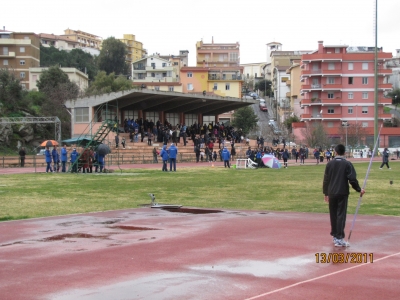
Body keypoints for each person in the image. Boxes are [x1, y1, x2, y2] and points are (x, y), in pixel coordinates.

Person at [323, 144, 365, 247]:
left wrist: (326, 193)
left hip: (332, 193)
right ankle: (339, 237)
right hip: (342, 193)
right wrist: (359, 189)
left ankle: (335, 235)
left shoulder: (330, 164)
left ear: (335, 152)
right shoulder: (347, 164)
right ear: (344, 153)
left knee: (333, 215)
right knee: (340, 215)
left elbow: (326, 180)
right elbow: (352, 179)